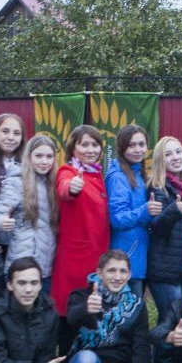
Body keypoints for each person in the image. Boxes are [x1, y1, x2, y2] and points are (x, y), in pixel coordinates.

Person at [0, 134, 59, 292]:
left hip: (47, 270)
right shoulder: (17, 183)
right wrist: (0, 223)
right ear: (29, 157)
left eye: (49, 156)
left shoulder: (54, 184)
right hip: (21, 270)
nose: (44, 161)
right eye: (38, 156)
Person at [51, 125, 110, 309]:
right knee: (71, 307)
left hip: (98, 254)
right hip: (76, 257)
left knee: (93, 310)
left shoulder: (97, 173)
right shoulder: (68, 171)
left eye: (95, 145)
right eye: (84, 145)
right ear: (73, 148)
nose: (90, 150)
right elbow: (64, 187)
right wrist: (72, 187)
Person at [146, 136, 182, 326]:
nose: (175, 157)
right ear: (160, 160)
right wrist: (173, 211)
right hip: (165, 271)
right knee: (174, 323)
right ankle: (156, 348)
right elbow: (156, 228)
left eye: (178, 152)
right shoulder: (159, 188)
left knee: (172, 322)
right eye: (168, 154)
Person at [107, 124, 156, 296]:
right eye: (131, 145)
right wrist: (146, 210)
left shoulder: (137, 173)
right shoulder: (118, 177)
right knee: (129, 309)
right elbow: (117, 219)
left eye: (141, 144)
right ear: (122, 148)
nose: (138, 150)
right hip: (126, 256)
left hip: (136, 255)